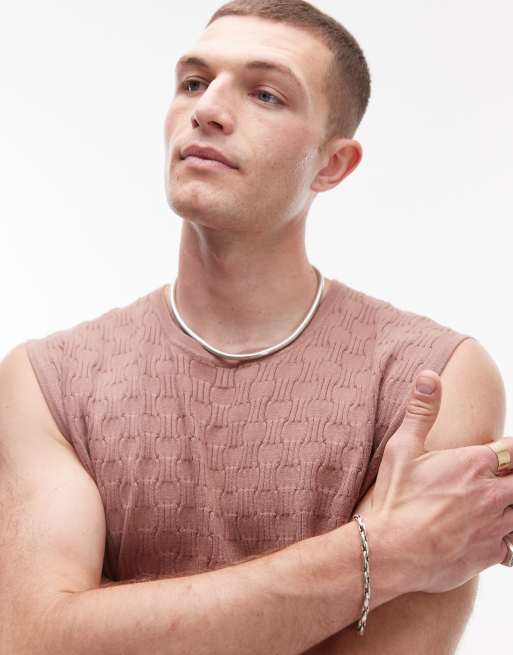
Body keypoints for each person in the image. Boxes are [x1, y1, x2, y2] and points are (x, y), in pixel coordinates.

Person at [0, 1, 510, 653]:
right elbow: (35, 638)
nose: (207, 109)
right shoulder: (47, 383)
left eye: (266, 94)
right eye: (193, 82)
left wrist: (110, 619)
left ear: (332, 165)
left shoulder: (434, 376)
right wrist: (382, 553)